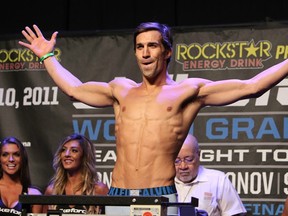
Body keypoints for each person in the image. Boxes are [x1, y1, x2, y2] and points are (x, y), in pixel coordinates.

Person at [18, 22, 288, 215]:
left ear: (167, 51)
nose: (145, 53)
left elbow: (252, 86)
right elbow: (74, 90)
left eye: (152, 46)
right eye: (139, 47)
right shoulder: (120, 90)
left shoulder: (188, 91)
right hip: (119, 195)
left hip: (158, 195)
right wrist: (49, 56)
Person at [175, 134, 247, 216]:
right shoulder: (162, 183)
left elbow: (235, 213)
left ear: (199, 154)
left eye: (189, 160)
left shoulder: (218, 179)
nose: (183, 166)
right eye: (177, 161)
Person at [43, 133, 109, 214]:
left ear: (84, 156)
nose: (67, 154)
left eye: (74, 150)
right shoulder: (52, 190)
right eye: (63, 150)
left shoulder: (99, 190)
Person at [0, 136, 42, 215]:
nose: (11, 159)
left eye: (16, 154)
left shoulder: (33, 194)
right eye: (5, 154)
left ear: (22, 158)